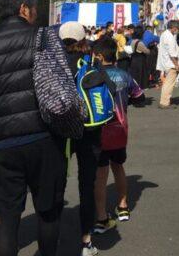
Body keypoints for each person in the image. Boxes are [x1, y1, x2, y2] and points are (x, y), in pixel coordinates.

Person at [0, 0, 68, 256]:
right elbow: (62, 85)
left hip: (1, 144)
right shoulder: (43, 38)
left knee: (7, 218)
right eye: (34, 10)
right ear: (24, 9)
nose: (36, 15)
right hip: (45, 137)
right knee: (48, 212)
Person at [59, 21, 108, 256]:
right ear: (82, 39)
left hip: (61, 129)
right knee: (86, 185)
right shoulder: (91, 61)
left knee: (56, 182)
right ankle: (86, 240)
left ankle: (51, 234)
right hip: (90, 129)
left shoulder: (54, 63)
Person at [92, 35, 144, 233]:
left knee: (101, 174)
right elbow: (139, 96)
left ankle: (101, 217)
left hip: (100, 132)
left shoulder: (93, 76)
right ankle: (123, 206)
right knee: (119, 167)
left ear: (97, 56)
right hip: (120, 131)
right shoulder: (124, 75)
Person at [156, 20, 179, 109]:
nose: (177, 30)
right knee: (169, 84)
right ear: (174, 28)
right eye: (177, 28)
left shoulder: (164, 34)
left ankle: (164, 101)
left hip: (166, 62)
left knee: (167, 83)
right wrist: (176, 65)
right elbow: (172, 54)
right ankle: (164, 102)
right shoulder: (170, 37)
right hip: (171, 63)